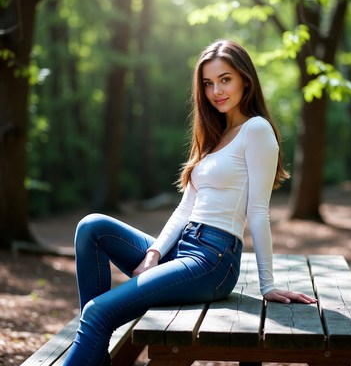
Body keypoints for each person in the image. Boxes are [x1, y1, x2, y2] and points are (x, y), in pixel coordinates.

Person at [64, 39, 316, 365]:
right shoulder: (214, 134)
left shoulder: (256, 130)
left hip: (213, 259)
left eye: (225, 79)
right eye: (208, 83)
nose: (216, 91)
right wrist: (154, 252)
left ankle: (92, 343)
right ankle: (94, 351)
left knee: (97, 312)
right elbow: (186, 208)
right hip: (184, 247)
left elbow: (258, 210)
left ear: (245, 80)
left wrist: (267, 285)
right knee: (92, 227)